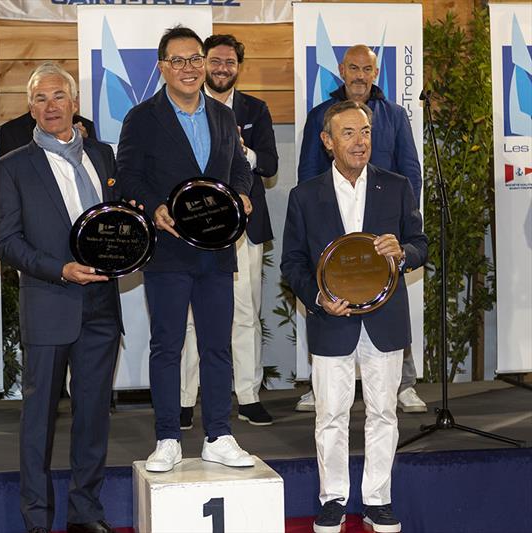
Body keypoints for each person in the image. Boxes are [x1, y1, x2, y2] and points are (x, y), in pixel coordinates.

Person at [281, 101, 427, 533]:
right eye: (348, 133)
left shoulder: (397, 186)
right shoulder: (305, 196)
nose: (360, 141)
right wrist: (318, 296)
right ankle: (334, 500)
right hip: (332, 319)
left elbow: (419, 243)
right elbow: (292, 264)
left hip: (384, 320)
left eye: (364, 132)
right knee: (330, 413)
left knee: (384, 412)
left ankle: (378, 499)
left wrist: (403, 254)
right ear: (327, 142)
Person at [117, 26, 255, 473]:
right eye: (178, 60)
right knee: (167, 346)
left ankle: (219, 433)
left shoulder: (221, 115)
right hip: (168, 251)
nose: (190, 68)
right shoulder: (141, 118)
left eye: (195, 58)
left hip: (217, 250)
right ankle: (167, 438)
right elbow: (127, 176)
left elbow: (239, 169)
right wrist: (154, 207)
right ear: (162, 68)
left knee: (218, 346)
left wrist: (241, 195)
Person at [0, 63, 122, 533]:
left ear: (74, 104)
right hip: (49, 304)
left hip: (103, 310)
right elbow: (6, 242)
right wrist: (61, 270)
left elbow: (119, 223)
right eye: (40, 99)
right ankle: (37, 520)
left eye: (58, 97)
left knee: (92, 421)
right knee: (38, 425)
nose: (50, 106)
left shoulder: (104, 157)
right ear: (31, 109)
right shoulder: (11, 167)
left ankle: (86, 514)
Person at [295, 44, 427, 414]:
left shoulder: (394, 115)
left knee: (390, 308)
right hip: (333, 229)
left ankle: (404, 384)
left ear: (375, 72)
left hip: (383, 231)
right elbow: (307, 170)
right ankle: (319, 383)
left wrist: (403, 221)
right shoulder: (321, 115)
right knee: (331, 310)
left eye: (366, 69)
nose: (359, 75)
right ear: (341, 70)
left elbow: (410, 170)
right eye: (352, 68)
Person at [180, 34, 277, 430]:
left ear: (239, 66)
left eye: (229, 63)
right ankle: (185, 400)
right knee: (188, 317)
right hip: (192, 227)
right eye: (215, 62)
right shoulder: (183, 105)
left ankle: (249, 396)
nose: (222, 69)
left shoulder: (255, 109)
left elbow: (268, 165)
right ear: (202, 64)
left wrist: (242, 150)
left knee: (245, 314)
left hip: (242, 228)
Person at [0, 109, 95, 158]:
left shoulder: (85, 126)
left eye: (58, 97)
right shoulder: (11, 131)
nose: (51, 106)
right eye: (43, 98)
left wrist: (83, 143)